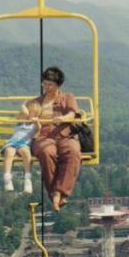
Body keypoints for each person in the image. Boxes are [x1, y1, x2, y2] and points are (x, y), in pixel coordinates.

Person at [32, 67, 81, 211]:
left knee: (73, 151)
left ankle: (59, 192)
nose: (46, 87)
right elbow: (28, 116)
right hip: (43, 135)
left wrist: (63, 118)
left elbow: (72, 114)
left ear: (58, 85)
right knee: (46, 153)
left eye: (50, 85)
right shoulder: (37, 102)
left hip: (64, 134)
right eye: (44, 84)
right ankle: (56, 194)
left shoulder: (67, 98)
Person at [2, 101, 42, 194]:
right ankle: (7, 177)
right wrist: (24, 105)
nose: (33, 115)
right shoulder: (21, 121)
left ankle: (27, 179)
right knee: (9, 152)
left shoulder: (34, 125)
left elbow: (38, 129)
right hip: (13, 142)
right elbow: (24, 113)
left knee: (26, 154)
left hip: (24, 144)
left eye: (36, 114)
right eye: (32, 112)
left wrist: (36, 122)